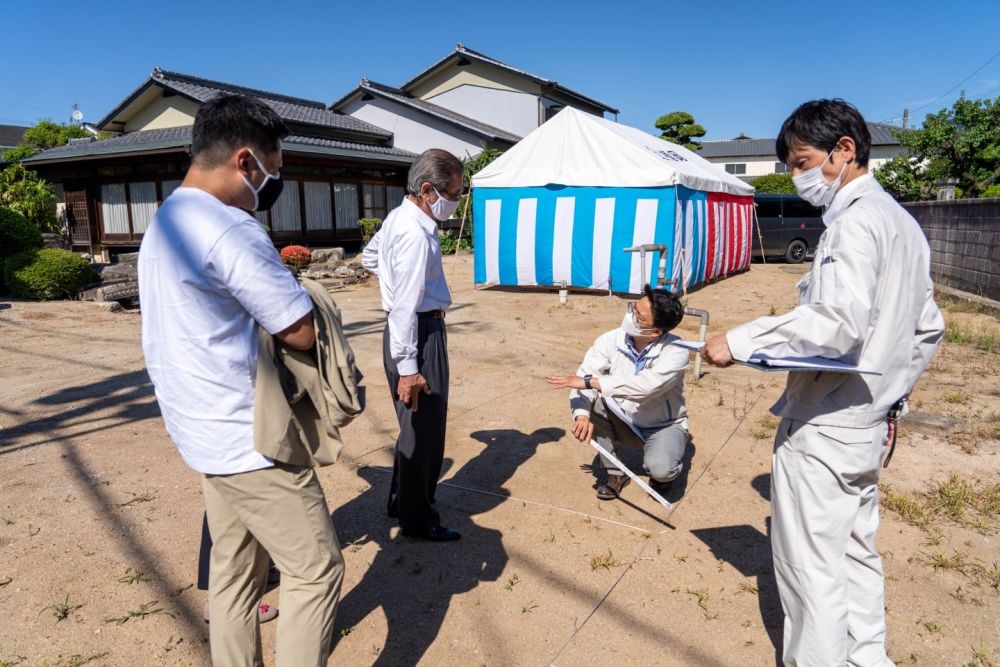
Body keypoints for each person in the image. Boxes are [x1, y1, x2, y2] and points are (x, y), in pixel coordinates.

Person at [701, 99, 944, 667]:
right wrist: (891, 393)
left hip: (826, 426)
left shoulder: (855, 224)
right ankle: (867, 657)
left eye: (803, 161)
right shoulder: (900, 223)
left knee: (811, 568)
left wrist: (739, 342)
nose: (796, 176)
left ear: (844, 152)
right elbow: (929, 327)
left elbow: (836, 322)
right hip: (869, 423)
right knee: (856, 553)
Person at [138, 94, 344, 666]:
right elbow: (298, 331)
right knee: (317, 568)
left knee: (234, 573)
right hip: (250, 437)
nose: (273, 184)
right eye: (273, 172)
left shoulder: (166, 218)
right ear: (246, 162)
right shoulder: (230, 228)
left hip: (199, 429)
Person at [361, 148, 463, 542]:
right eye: (451, 193)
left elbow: (371, 257)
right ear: (426, 189)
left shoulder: (399, 217)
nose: (454, 201)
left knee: (411, 426)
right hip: (418, 333)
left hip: (404, 332)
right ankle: (419, 519)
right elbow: (405, 304)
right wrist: (409, 367)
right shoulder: (415, 234)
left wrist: (391, 280)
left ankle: (400, 502)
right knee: (425, 429)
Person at [545, 286, 689, 499]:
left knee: (661, 470)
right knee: (592, 401)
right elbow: (583, 378)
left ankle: (663, 474)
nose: (630, 316)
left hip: (662, 426)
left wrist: (590, 382)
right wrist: (582, 415)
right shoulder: (611, 339)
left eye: (638, 316)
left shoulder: (676, 351)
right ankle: (615, 473)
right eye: (633, 308)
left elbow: (645, 388)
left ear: (656, 331)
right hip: (624, 419)